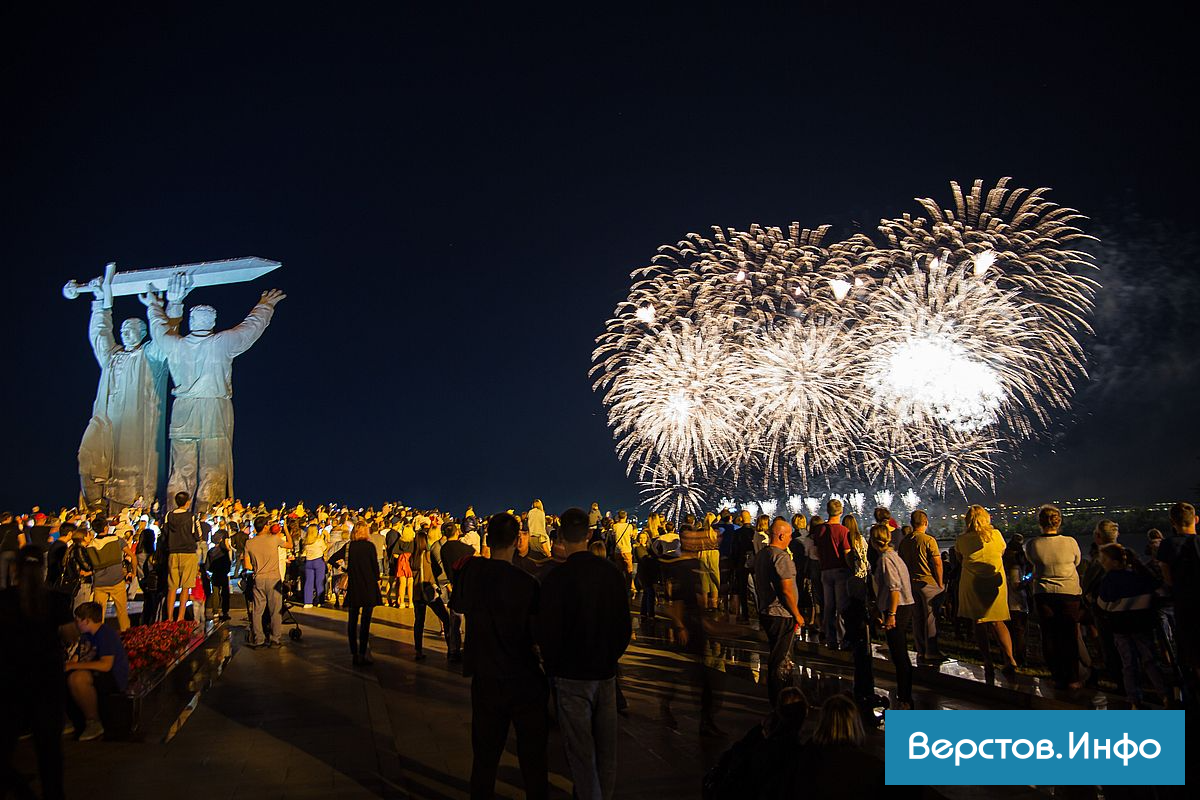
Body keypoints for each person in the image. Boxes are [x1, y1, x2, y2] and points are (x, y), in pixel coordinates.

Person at [144, 285, 285, 511]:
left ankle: (175, 515)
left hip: (183, 411)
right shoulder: (221, 343)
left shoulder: (176, 345)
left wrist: (153, 306)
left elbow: (158, 329)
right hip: (214, 409)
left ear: (191, 321)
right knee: (213, 468)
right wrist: (265, 305)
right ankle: (206, 519)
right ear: (212, 322)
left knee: (181, 468)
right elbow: (250, 329)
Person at [450, 513, 548, 799]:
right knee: (533, 760)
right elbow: (537, 634)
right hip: (523, 677)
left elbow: (457, 603)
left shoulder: (472, 573)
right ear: (518, 540)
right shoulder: (527, 583)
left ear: (488, 540)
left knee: (484, 758)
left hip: (485, 675)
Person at [536, 507, 631, 800]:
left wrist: (554, 665)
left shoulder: (554, 579)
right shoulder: (612, 574)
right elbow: (623, 625)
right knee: (607, 751)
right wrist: (610, 657)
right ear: (590, 535)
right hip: (604, 672)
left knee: (580, 752)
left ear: (561, 536)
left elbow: (546, 630)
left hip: (570, 674)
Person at [77, 267, 186, 513]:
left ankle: (135, 509)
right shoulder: (112, 357)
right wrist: (100, 305)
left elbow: (165, 338)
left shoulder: (152, 357)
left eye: (132, 330)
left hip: (137, 431)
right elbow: (100, 335)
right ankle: (93, 506)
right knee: (90, 456)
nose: (125, 333)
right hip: (109, 423)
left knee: (132, 469)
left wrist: (173, 306)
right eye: (123, 330)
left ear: (144, 333)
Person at [0, 546, 75, 800]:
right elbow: (70, 634)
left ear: (15, 570)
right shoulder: (54, 599)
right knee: (49, 751)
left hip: (11, 681)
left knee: (5, 745)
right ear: (42, 569)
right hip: (47, 681)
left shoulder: (4, 599)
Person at [1095, 543, 1168, 708]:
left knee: (1128, 664)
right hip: (1142, 625)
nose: (1102, 562)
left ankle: (1134, 699)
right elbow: (1160, 592)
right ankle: (1165, 695)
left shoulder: (1109, 580)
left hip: (1121, 628)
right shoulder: (1140, 575)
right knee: (1150, 661)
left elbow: (1102, 604)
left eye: (1104, 559)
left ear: (1114, 562)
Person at [1024, 504, 1083, 688]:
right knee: (1069, 634)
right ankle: (1073, 677)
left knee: (1049, 635)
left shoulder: (1033, 544)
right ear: (1059, 521)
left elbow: (1032, 562)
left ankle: (1057, 674)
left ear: (1040, 522)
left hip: (1044, 593)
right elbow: (1077, 561)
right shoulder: (1071, 542)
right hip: (1069, 593)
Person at [956, 505, 1019, 678]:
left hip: (972, 584)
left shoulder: (962, 539)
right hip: (995, 584)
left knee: (979, 623)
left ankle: (988, 661)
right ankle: (1010, 659)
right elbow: (1002, 552)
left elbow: (959, 558)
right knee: (997, 621)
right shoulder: (997, 535)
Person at [752, 517, 805, 705]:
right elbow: (786, 591)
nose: (791, 539)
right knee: (782, 660)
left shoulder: (762, 555)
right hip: (782, 614)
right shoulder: (781, 557)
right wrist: (797, 613)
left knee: (776, 655)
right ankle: (782, 700)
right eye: (789, 535)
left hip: (767, 611)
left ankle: (777, 696)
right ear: (781, 535)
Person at [65, 601, 131, 742]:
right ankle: (71, 718)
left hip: (111, 677)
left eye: (78, 621)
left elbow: (106, 665)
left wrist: (73, 667)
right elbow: (76, 658)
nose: (76, 624)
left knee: (78, 678)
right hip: (94, 673)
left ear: (87, 621)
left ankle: (93, 721)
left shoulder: (106, 635)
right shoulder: (85, 636)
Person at [1156, 501, 1199, 708]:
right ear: (1196, 520)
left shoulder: (1168, 545)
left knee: (1188, 650)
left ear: (1172, 522)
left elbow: (1167, 576)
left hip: (1183, 603)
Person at [870, 523, 915, 708]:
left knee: (899, 654)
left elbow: (894, 588)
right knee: (899, 653)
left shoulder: (886, 560)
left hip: (897, 607)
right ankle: (905, 694)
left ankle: (905, 697)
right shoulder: (894, 556)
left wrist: (891, 614)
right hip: (904, 605)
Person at [897, 509, 946, 664]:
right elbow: (937, 563)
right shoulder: (928, 540)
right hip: (927, 583)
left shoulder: (905, 541)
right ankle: (931, 651)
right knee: (930, 618)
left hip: (912, 584)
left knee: (917, 618)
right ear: (925, 523)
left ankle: (921, 650)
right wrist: (940, 583)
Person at [243, 517, 291, 648]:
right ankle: (275, 638)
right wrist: (286, 529)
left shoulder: (249, 543)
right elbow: (290, 545)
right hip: (274, 578)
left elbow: (248, 565)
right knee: (275, 610)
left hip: (258, 578)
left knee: (257, 611)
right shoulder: (274, 539)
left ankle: (259, 639)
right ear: (264, 527)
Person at [811, 499, 851, 648]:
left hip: (825, 571)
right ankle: (843, 638)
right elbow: (846, 553)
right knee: (842, 606)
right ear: (841, 512)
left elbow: (816, 551)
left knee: (828, 606)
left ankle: (830, 637)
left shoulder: (819, 530)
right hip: (840, 570)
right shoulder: (843, 530)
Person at [412, 524, 454, 661]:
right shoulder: (429, 555)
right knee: (446, 619)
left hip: (417, 592)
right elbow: (438, 570)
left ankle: (418, 651)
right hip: (430, 591)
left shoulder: (413, 557)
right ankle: (451, 649)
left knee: (419, 622)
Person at [344, 522, 382, 665]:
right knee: (365, 622)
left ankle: (354, 653)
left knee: (352, 621)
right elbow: (375, 567)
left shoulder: (349, 546)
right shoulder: (370, 547)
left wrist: (344, 569)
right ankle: (362, 652)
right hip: (368, 587)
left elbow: (335, 559)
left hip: (354, 587)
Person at [86, 514, 132, 631]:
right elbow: (131, 555)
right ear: (106, 528)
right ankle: (127, 636)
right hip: (116, 580)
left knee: (98, 614)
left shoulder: (91, 545)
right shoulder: (116, 540)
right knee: (122, 612)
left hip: (99, 583)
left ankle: (98, 637)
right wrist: (132, 571)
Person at [163, 491, 200, 621]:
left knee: (172, 587)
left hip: (173, 553)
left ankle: (169, 617)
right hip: (188, 553)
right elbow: (197, 535)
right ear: (187, 502)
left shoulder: (169, 515)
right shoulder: (191, 516)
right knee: (186, 587)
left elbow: (165, 534)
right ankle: (180, 617)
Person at [300, 523, 329, 607]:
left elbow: (304, 553)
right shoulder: (319, 541)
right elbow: (325, 549)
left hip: (309, 562)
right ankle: (320, 600)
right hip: (318, 561)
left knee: (308, 582)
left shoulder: (306, 542)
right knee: (319, 582)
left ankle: (307, 602)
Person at [207, 530, 232, 621]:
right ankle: (225, 611)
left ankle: (215, 611)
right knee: (225, 593)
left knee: (215, 593)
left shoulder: (210, 551)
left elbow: (208, 565)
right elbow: (228, 563)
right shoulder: (224, 551)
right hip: (223, 574)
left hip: (215, 574)